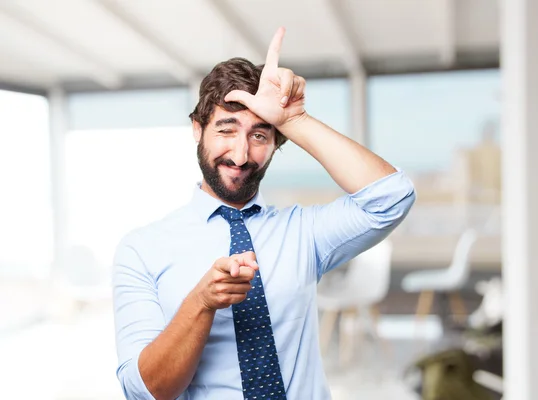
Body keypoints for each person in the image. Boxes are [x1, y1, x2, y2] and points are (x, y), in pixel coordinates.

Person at [112, 27, 416, 400]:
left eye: (259, 136)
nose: (240, 156)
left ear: (276, 143)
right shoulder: (142, 249)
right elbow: (143, 390)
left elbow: (392, 196)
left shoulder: (303, 233)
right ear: (197, 129)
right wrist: (201, 302)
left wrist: (294, 120)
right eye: (226, 130)